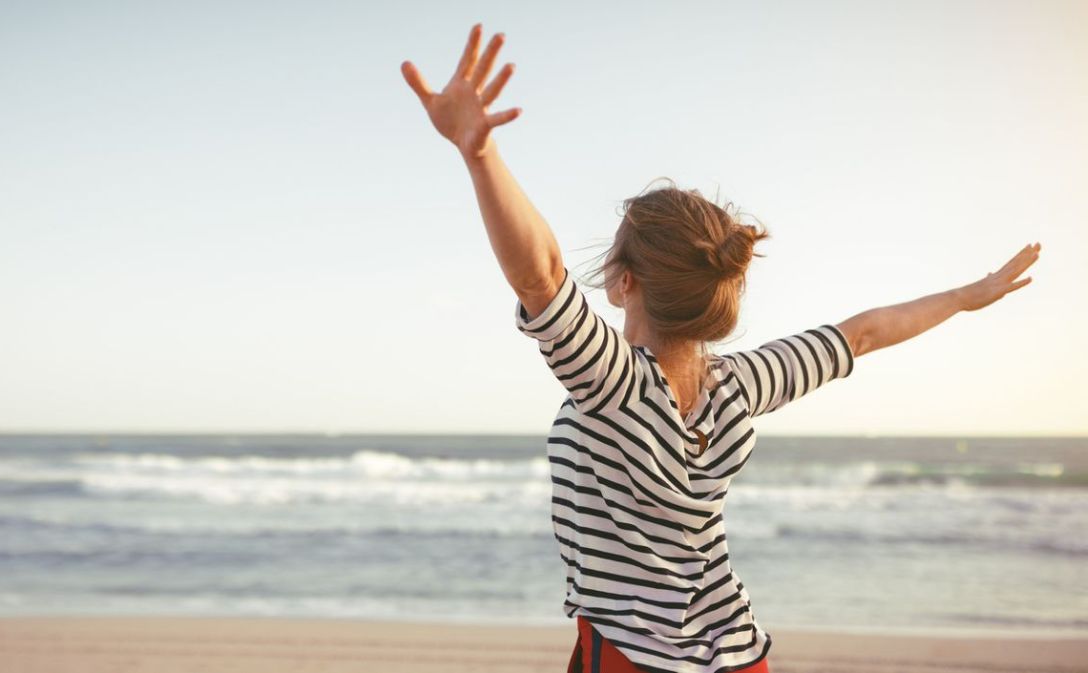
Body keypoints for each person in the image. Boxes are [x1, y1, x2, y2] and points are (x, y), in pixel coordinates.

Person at [400, 23, 1041, 673]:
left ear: (625, 284)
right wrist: (964, 296)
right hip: (736, 652)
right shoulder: (742, 384)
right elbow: (862, 333)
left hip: (630, 657)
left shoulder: (613, 382)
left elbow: (539, 274)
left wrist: (481, 158)